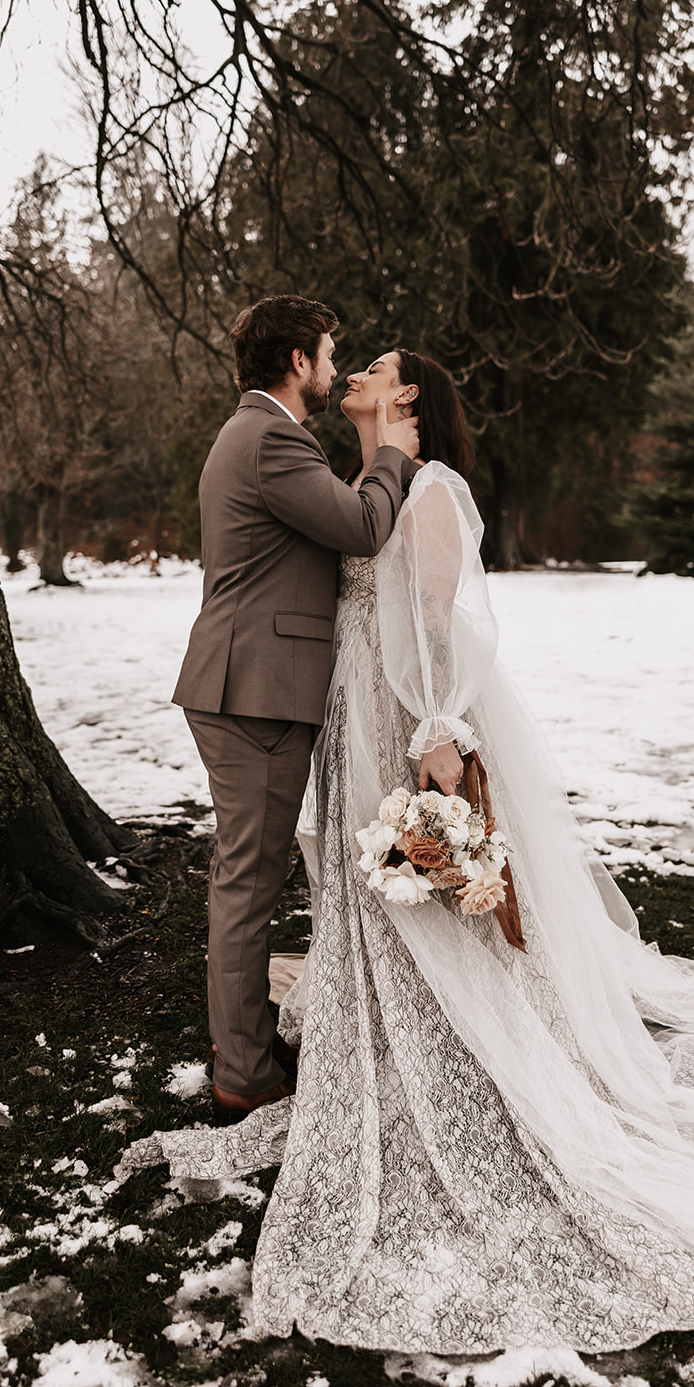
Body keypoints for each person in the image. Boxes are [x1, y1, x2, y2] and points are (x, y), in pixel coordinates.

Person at [129, 347, 694, 1356]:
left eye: (373, 366)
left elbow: (447, 622)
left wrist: (441, 733)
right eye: (349, 362)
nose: (356, 370)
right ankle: (384, 1035)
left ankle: (462, 1045)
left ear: (407, 398)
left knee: (420, 890)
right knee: (370, 894)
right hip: (348, 711)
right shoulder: (359, 481)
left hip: (402, 719)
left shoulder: (434, 489)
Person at [171, 298, 419, 1124]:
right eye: (327, 350)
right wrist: (391, 456)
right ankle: (242, 1070)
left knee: (245, 874)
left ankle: (236, 1044)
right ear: (295, 362)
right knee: (248, 880)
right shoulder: (271, 437)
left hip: (245, 683)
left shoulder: (254, 434)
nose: (334, 361)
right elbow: (358, 526)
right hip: (256, 690)